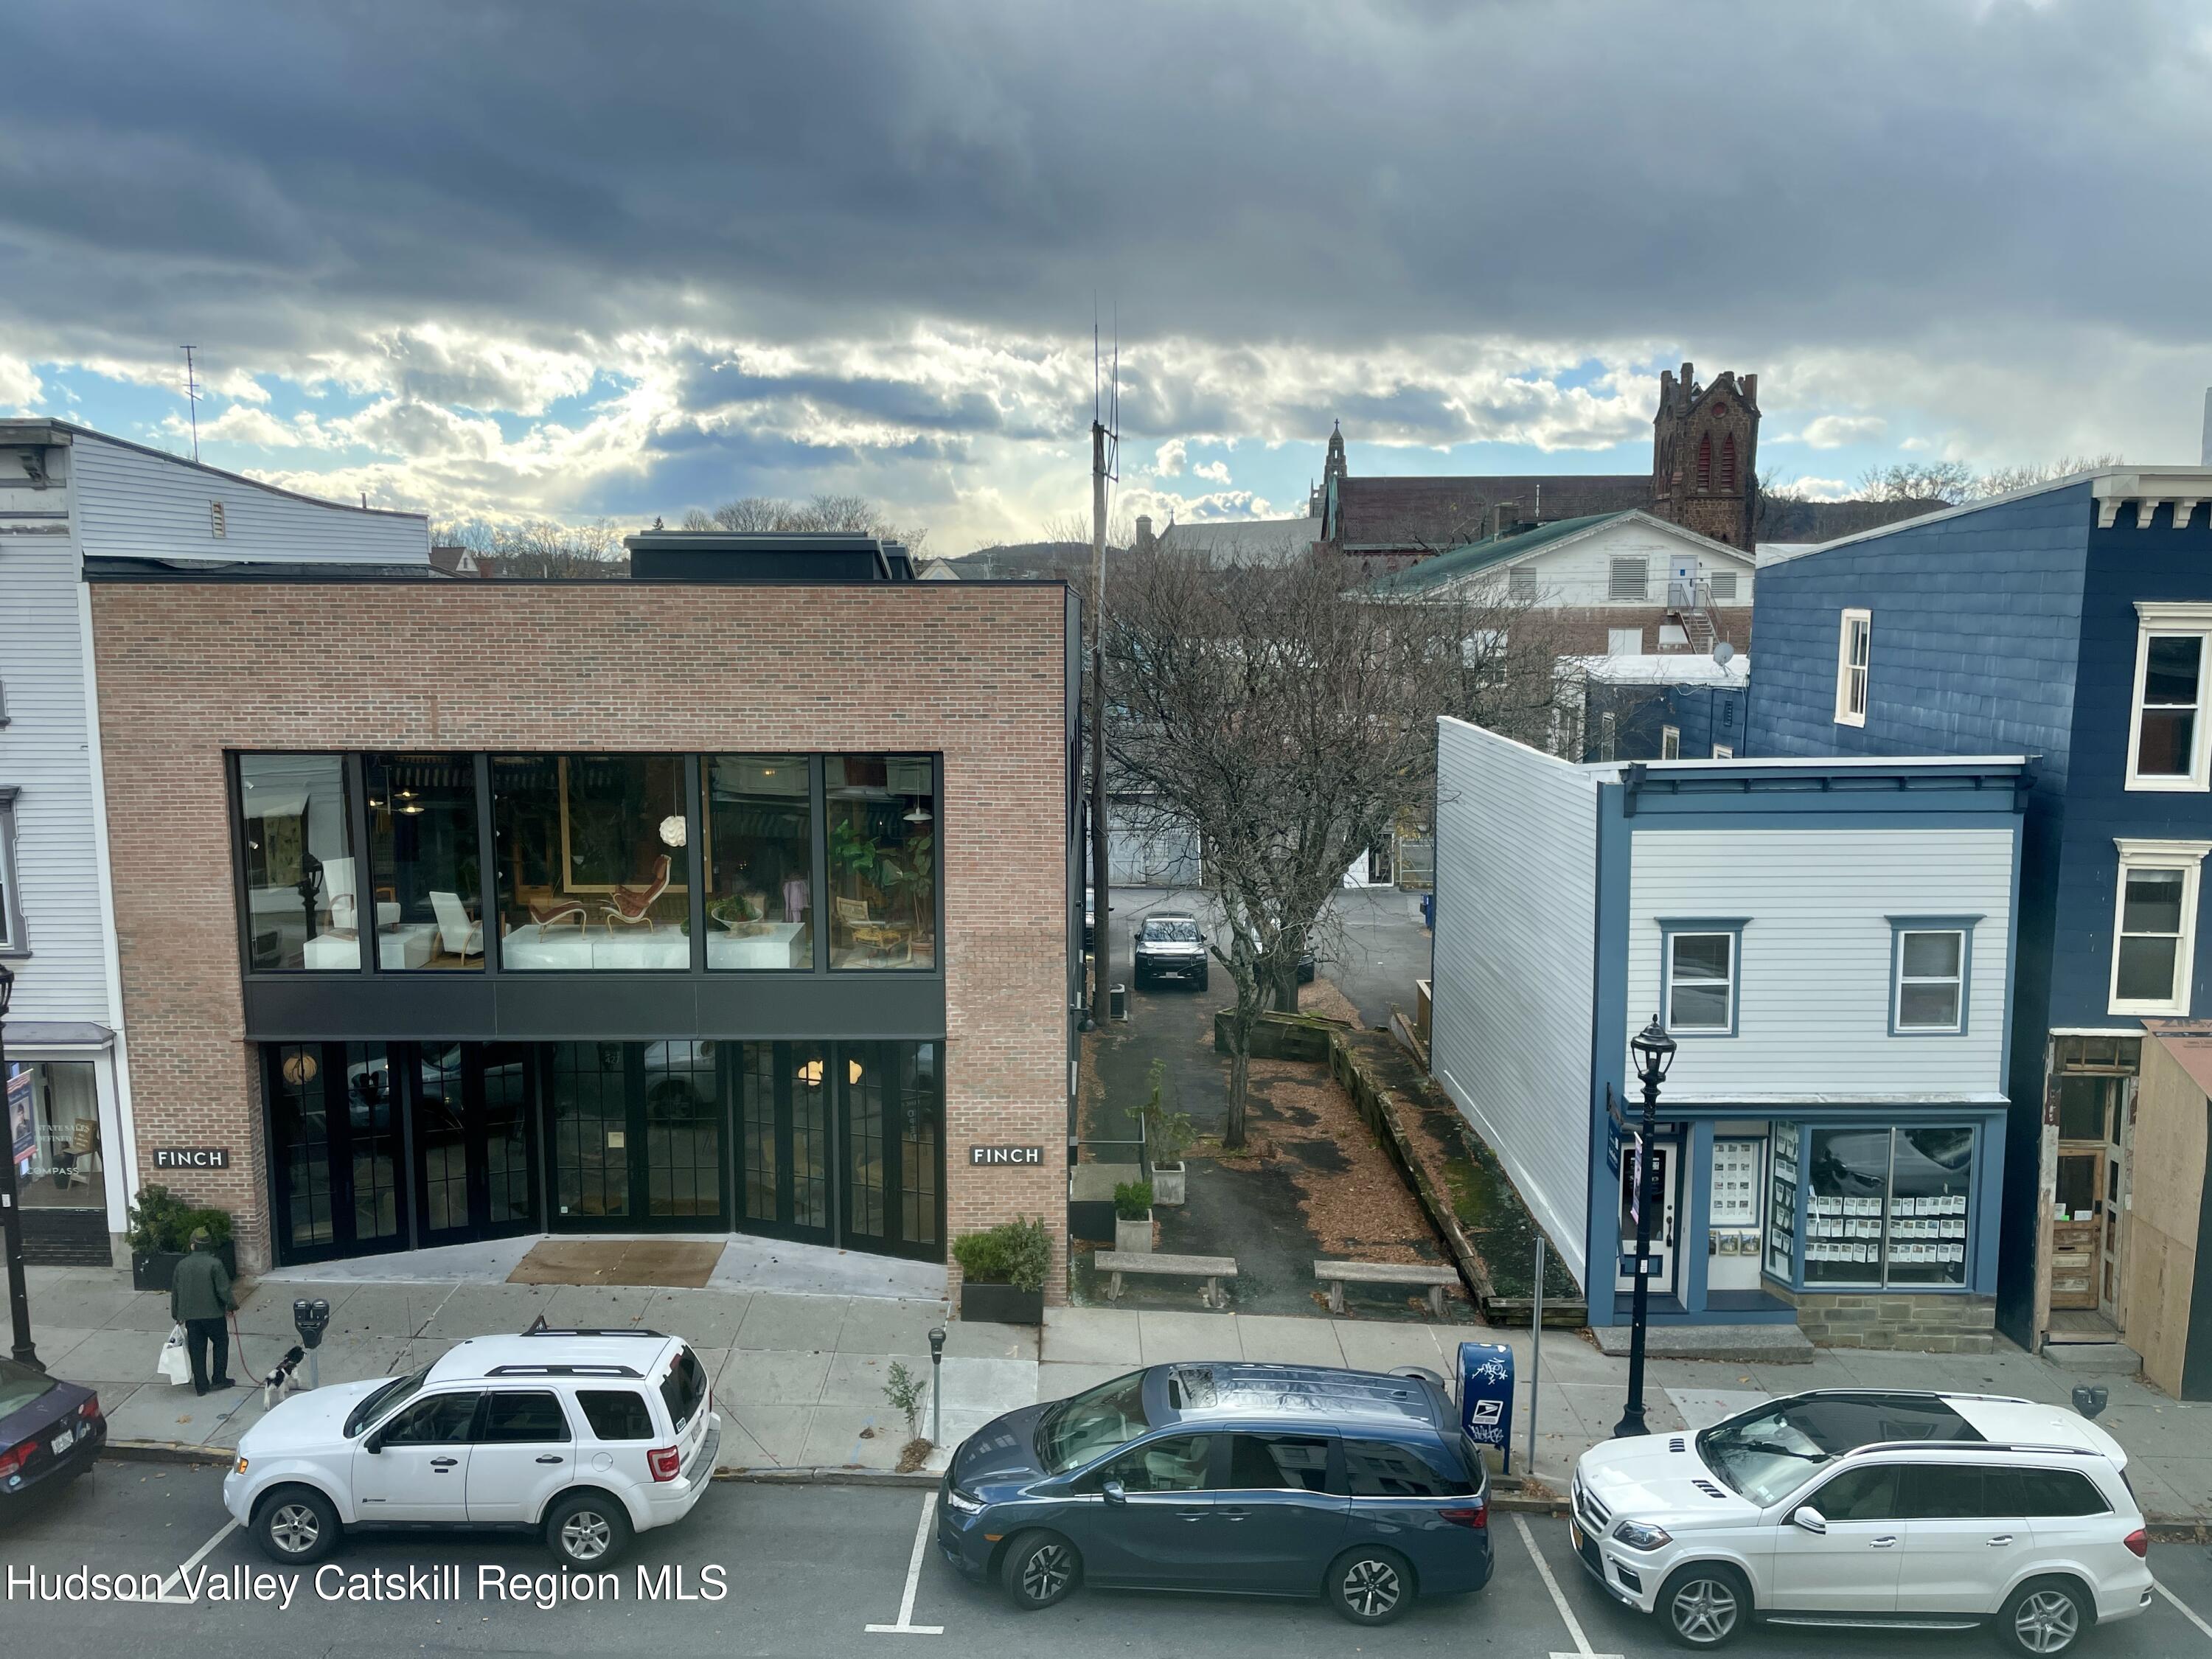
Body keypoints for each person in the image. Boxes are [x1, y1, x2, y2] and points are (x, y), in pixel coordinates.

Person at [169, 1227, 235, 1394]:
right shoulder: (215, 1264)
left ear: (192, 1245)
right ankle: (219, 1378)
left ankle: (201, 1386)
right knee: (221, 1343)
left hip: (192, 1317)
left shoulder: (181, 1266)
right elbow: (224, 1290)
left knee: (197, 1349)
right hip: (214, 1315)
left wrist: (177, 1314)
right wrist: (231, 1305)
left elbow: (176, 1292)